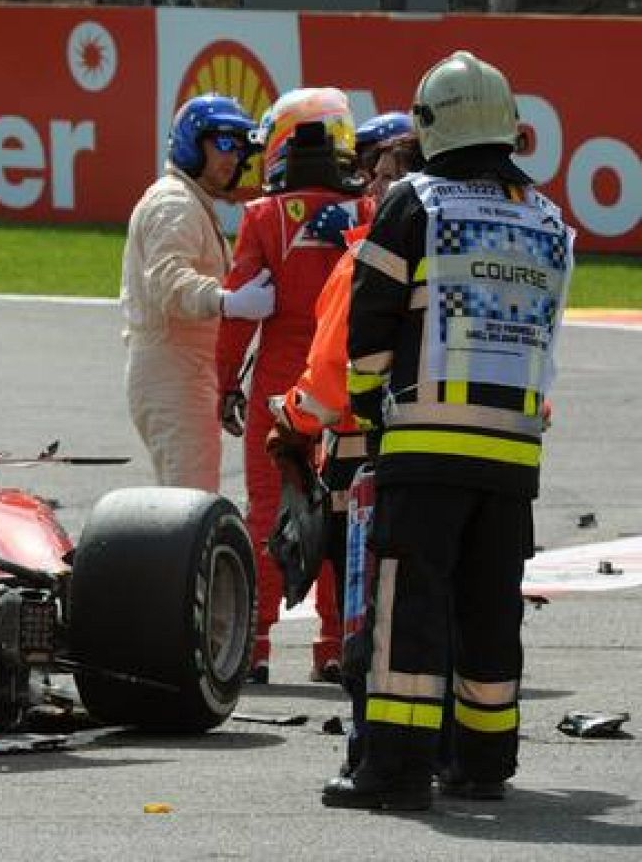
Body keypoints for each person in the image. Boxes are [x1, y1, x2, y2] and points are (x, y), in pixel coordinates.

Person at [322, 51, 574, 811]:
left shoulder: (416, 203)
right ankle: (483, 762)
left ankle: (394, 771)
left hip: (425, 447)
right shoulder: (546, 217)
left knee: (410, 610)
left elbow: (370, 325)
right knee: (490, 609)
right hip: (511, 455)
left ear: (431, 125)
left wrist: (368, 408)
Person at [266, 110, 417, 763]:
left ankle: (370, 743)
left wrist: (288, 416)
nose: (372, 189)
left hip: (359, 464)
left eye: (382, 178)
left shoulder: (362, 258)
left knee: (366, 609)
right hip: (444, 452)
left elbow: (328, 385)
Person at [217, 87, 366, 685]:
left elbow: (237, 315)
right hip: (345, 384)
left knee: (268, 514)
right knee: (343, 515)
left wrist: (224, 384)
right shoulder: (366, 214)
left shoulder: (262, 216)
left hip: (278, 389)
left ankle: (254, 644)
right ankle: (333, 644)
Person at [120, 94, 274, 492]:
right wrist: (228, 301)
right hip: (172, 372)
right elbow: (167, 282)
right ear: (192, 143)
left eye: (239, 147)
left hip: (186, 370)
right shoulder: (174, 202)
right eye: (223, 143)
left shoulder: (189, 202)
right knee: (188, 503)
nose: (233, 157)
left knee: (187, 499)